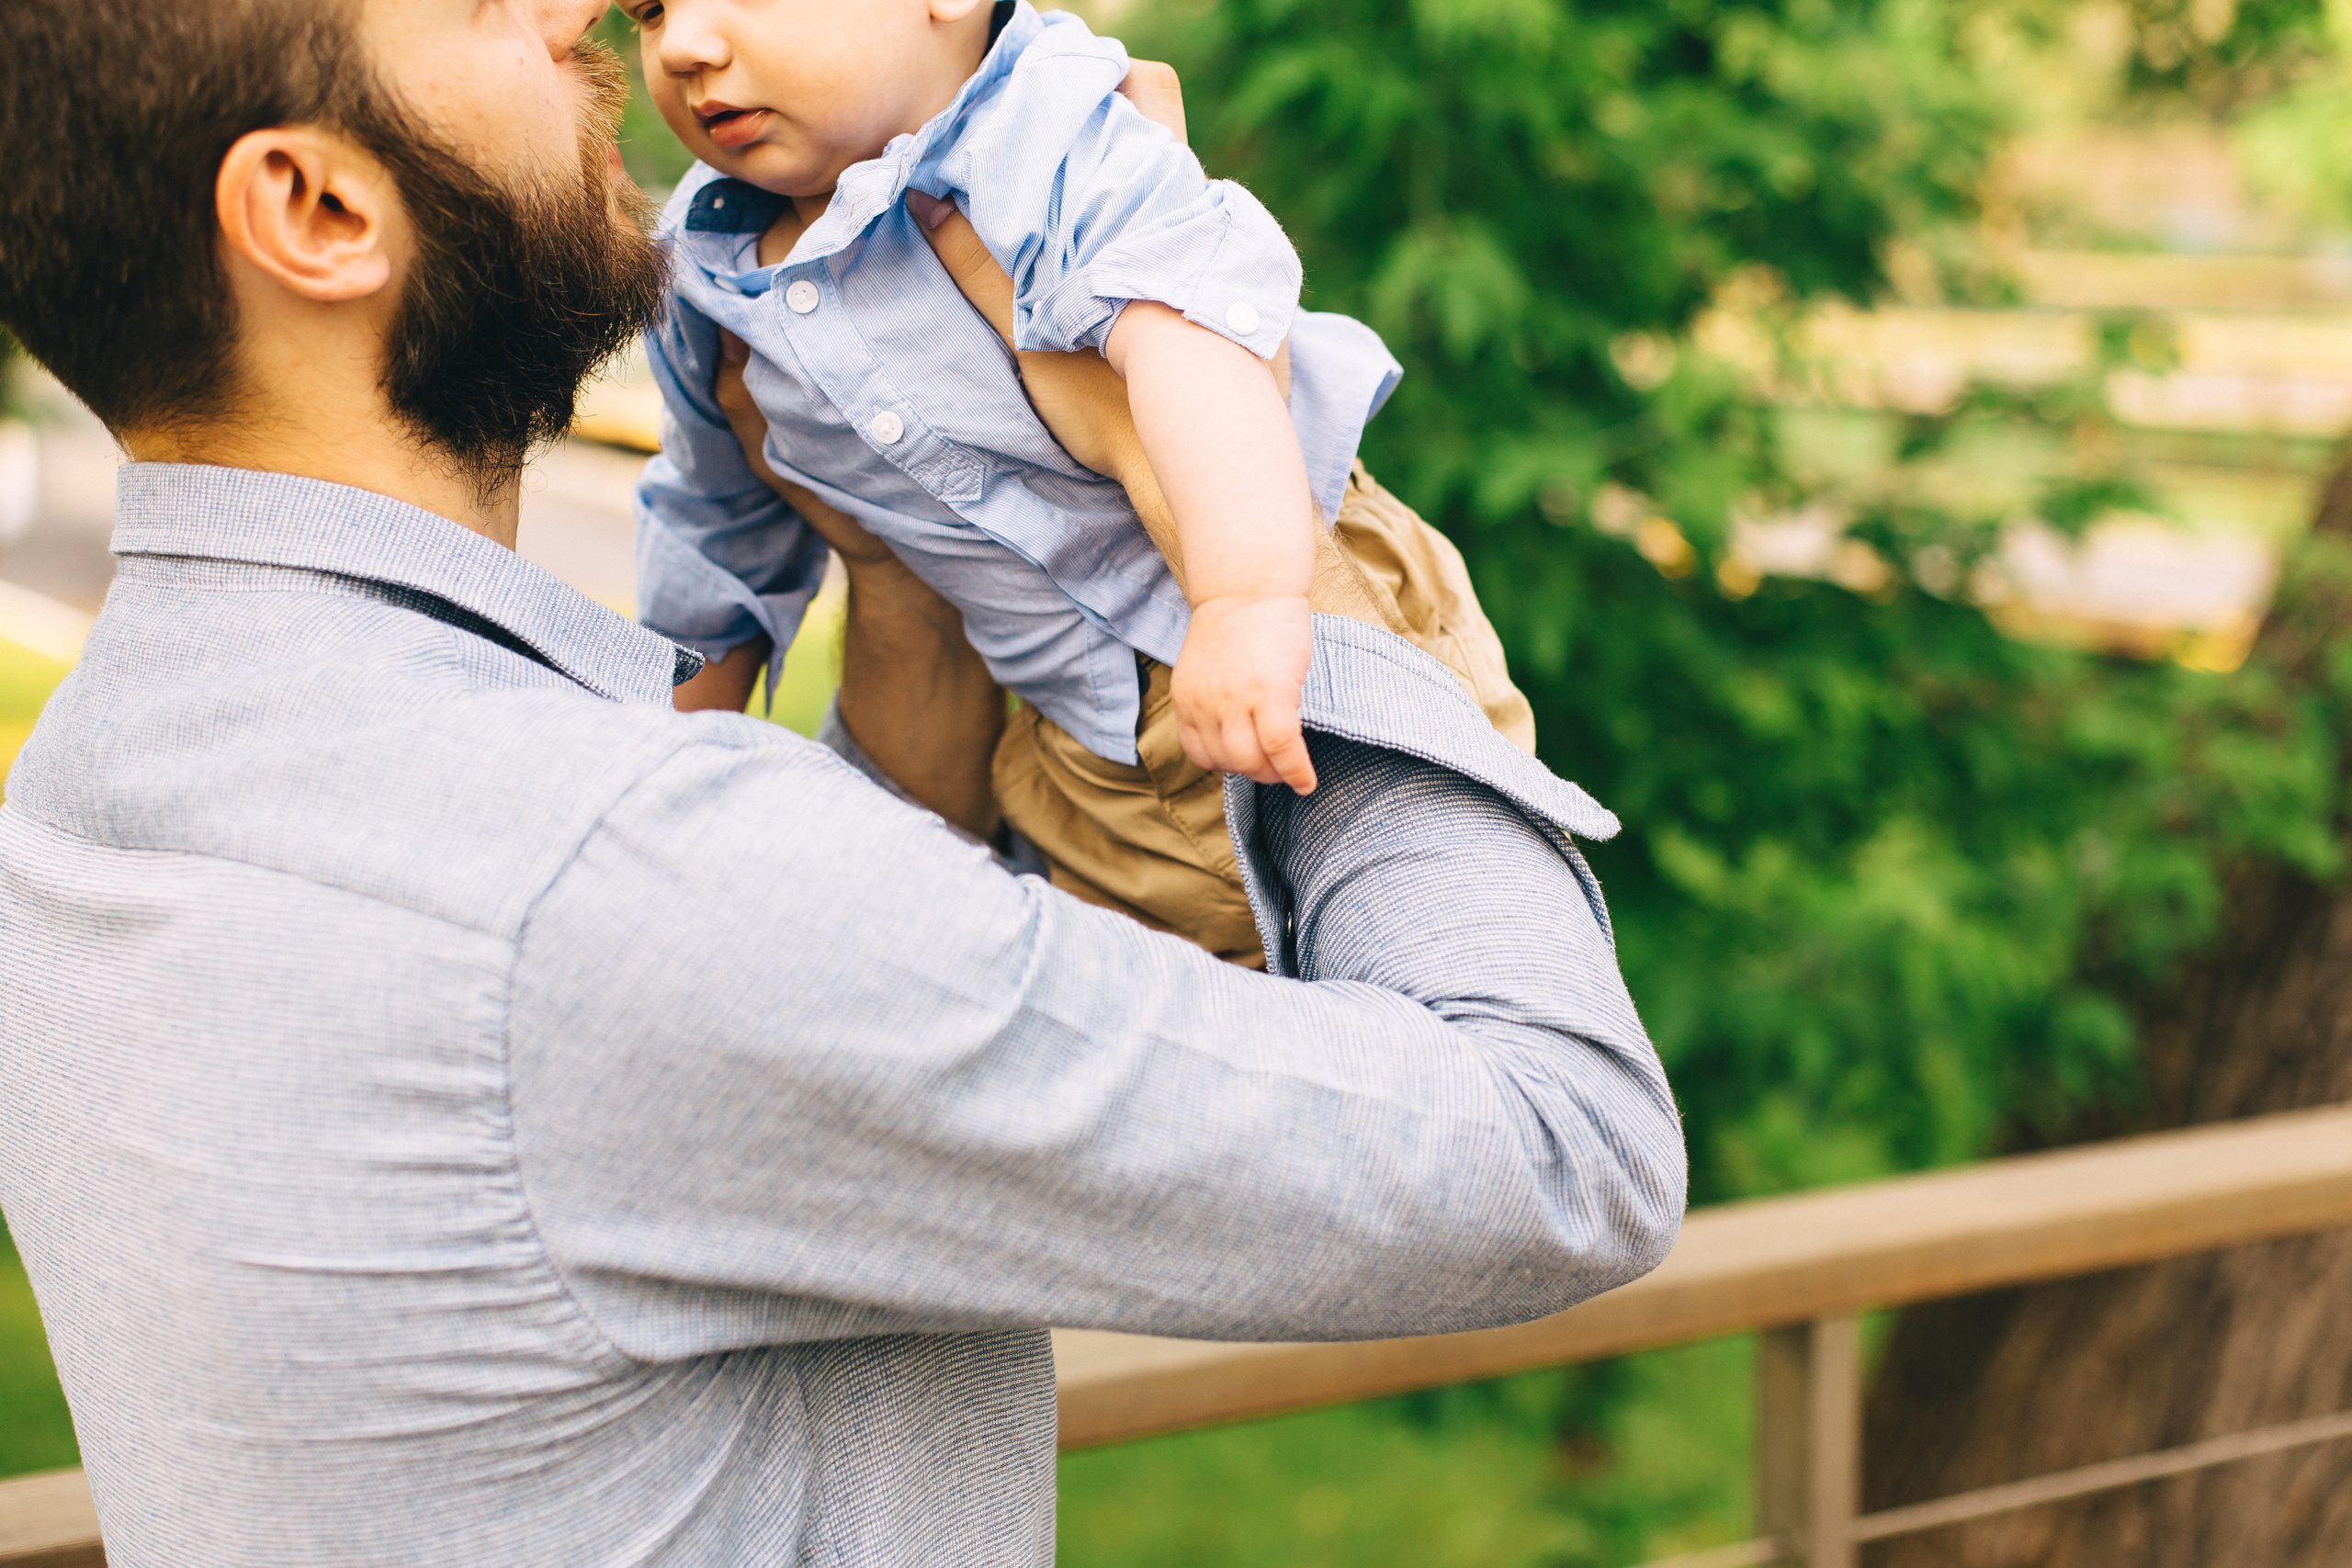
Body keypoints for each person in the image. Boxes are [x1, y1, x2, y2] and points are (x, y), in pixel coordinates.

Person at [0, 2, 1683, 1565]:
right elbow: (1559, 1149)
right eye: (471, 3)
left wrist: (912, 544)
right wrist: (1244, 529)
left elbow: (776, 1041)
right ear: (313, 207)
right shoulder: (616, 881)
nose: (586, 13)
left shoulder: (80, 799)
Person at [630, 0, 1537, 965]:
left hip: (1291, 606)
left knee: (1441, 939)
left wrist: (1242, 600)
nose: (685, 44)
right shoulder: (698, 273)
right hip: (1083, 748)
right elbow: (711, 535)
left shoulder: (1044, 125)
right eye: (647, 10)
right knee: (1195, 1045)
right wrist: (654, 783)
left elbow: (1187, 343)